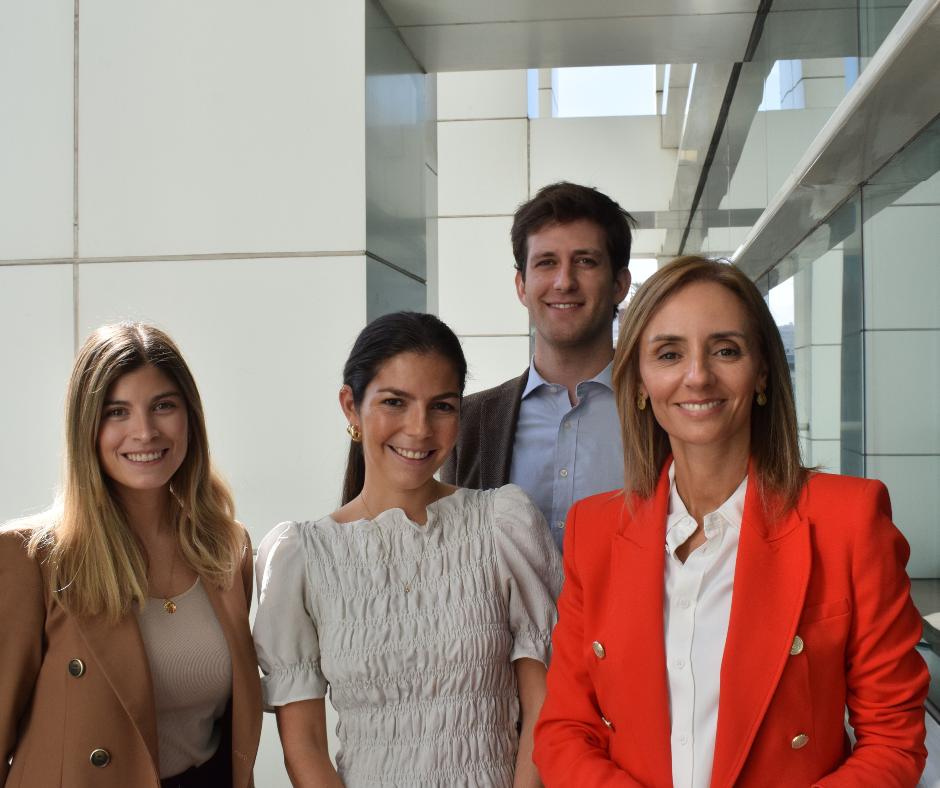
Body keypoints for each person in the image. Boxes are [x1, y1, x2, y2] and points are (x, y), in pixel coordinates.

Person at [533, 256, 929, 787]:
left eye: (725, 350)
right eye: (669, 353)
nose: (698, 375)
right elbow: (564, 730)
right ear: (640, 383)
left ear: (762, 371)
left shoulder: (849, 520)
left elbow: (892, 741)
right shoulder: (595, 529)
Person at [253, 311, 563, 788]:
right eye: (394, 402)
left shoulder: (503, 525)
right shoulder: (303, 557)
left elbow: (544, 706)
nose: (419, 429)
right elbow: (304, 745)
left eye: (442, 406)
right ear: (351, 407)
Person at [0, 323, 262, 788]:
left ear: (190, 417)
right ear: (86, 427)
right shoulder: (29, 559)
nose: (144, 431)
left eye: (163, 406)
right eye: (116, 412)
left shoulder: (226, 547)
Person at [441, 182, 636, 553]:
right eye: (546, 262)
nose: (564, 282)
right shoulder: (469, 422)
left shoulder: (661, 412)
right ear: (521, 286)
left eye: (585, 261)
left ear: (619, 284)